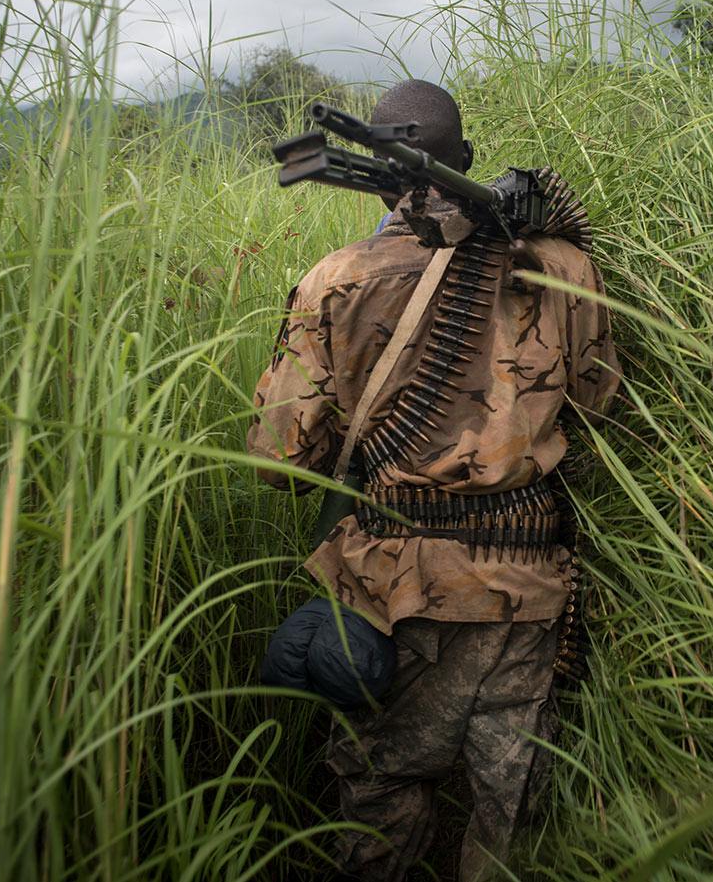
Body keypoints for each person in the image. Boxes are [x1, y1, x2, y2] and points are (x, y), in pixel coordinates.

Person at [247, 79, 619, 882]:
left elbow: (281, 462)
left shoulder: (336, 280)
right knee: (512, 813)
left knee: (379, 793)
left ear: (378, 180)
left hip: (394, 591)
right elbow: (595, 403)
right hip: (527, 590)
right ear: (468, 160)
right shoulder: (565, 269)